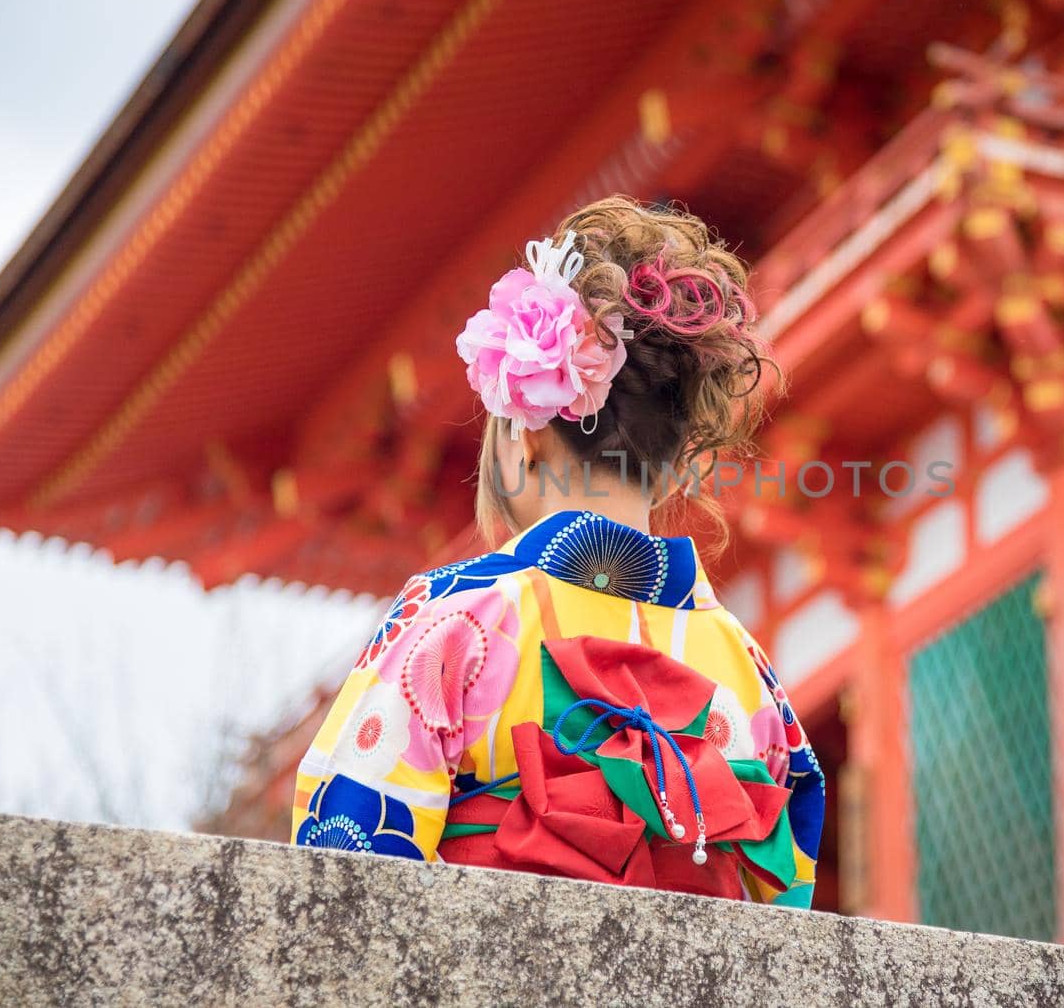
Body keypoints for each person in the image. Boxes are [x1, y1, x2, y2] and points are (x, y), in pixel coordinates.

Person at [291, 196, 822, 907]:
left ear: (525, 435)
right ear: (672, 464)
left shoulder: (458, 626)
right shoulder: (746, 670)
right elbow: (785, 895)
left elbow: (343, 869)